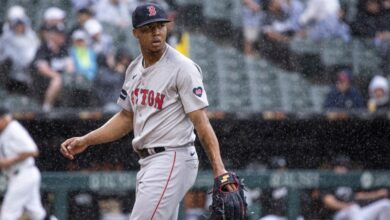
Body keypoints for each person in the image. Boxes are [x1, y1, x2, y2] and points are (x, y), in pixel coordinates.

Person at [60, 3, 236, 220]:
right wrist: (86, 140)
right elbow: (126, 117)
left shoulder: (183, 67)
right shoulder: (134, 68)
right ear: (135, 33)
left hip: (173, 157)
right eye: (148, 28)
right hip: (148, 162)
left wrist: (219, 169)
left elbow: (201, 122)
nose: (156, 32)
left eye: (160, 26)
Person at [0, 107, 46, 220]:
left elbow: (33, 150)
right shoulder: (5, 132)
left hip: (23, 174)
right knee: (36, 213)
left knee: (7, 215)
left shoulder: (13, 128)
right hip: (19, 175)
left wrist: (9, 161)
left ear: (3, 118)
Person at [320, 155, 390, 220]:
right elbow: (329, 202)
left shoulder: (349, 181)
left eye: (344, 167)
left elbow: (358, 195)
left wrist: (377, 193)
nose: (342, 169)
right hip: (339, 214)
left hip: (356, 213)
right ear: (334, 168)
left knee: (385, 204)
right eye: (339, 166)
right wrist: (347, 206)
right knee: (354, 209)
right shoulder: (328, 181)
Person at [32, 23, 75, 112]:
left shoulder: (64, 49)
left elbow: (70, 66)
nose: (62, 37)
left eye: (63, 34)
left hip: (61, 79)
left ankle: (68, 107)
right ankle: (47, 106)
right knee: (57, 80)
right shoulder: (43, 48)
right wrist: (57, 76)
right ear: (52, 35)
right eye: (59, 34)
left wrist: (66, 75)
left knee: (71, 80)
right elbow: (42, 68)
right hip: (44, 80)